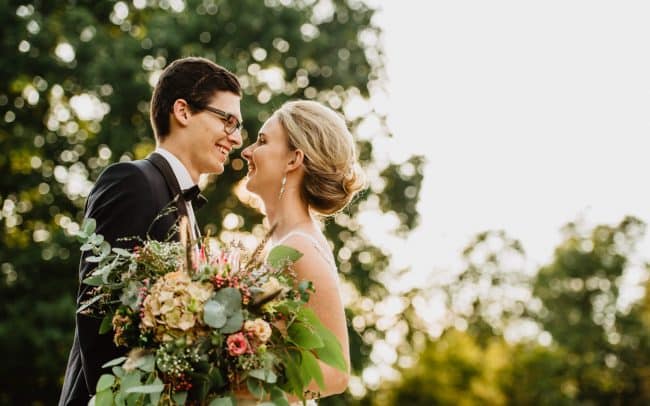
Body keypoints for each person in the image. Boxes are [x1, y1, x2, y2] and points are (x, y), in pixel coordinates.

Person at [59, 57, 244, 406]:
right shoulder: (133, 181)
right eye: (228, 121)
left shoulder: (188, 210)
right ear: (183, 111)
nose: (235, 137)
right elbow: (98, 313)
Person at [240, 100, 365, 401]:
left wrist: (240, 384)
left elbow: (337, 374)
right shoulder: (282, 244)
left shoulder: (299, 248)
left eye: (262, 141)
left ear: (294, 159)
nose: (246, 151)